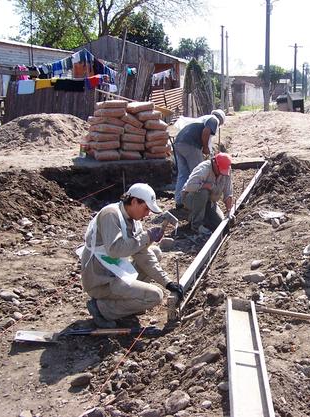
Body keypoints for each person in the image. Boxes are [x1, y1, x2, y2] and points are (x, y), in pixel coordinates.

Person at [78, 183, 184, 328]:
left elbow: (143, 255)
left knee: (154, 252)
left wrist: (168, 283)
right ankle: (103, 309)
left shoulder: (134, 222)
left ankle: (128, 302)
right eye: (146, 208)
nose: (147, 214)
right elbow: (115, 250)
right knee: (155, 296)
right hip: (101, 280)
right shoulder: (111, 215)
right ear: (134, 201)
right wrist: (146, 237)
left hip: (116, 271)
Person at [173, 109, 226, 209]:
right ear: (221, 120)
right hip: (191, 144)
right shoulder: (214, 120)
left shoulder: (203, 119)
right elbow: (206, 132)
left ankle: (179, 201)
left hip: (179, 142)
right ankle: (198, 201)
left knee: (183, 174)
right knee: (198, 173)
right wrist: (205, 147)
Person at [181, 152, 235, 234]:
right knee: (203, 192)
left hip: (210, 202)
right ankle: (196, 225)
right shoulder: (204, 169)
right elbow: (189, 186)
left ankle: (199, 216)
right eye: (220, 170)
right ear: (215, 163)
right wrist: (207, 186)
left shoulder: (226, 170)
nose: (221, 173)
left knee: (219, 224)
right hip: (191, 198)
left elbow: (228, 192)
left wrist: (229, 212)